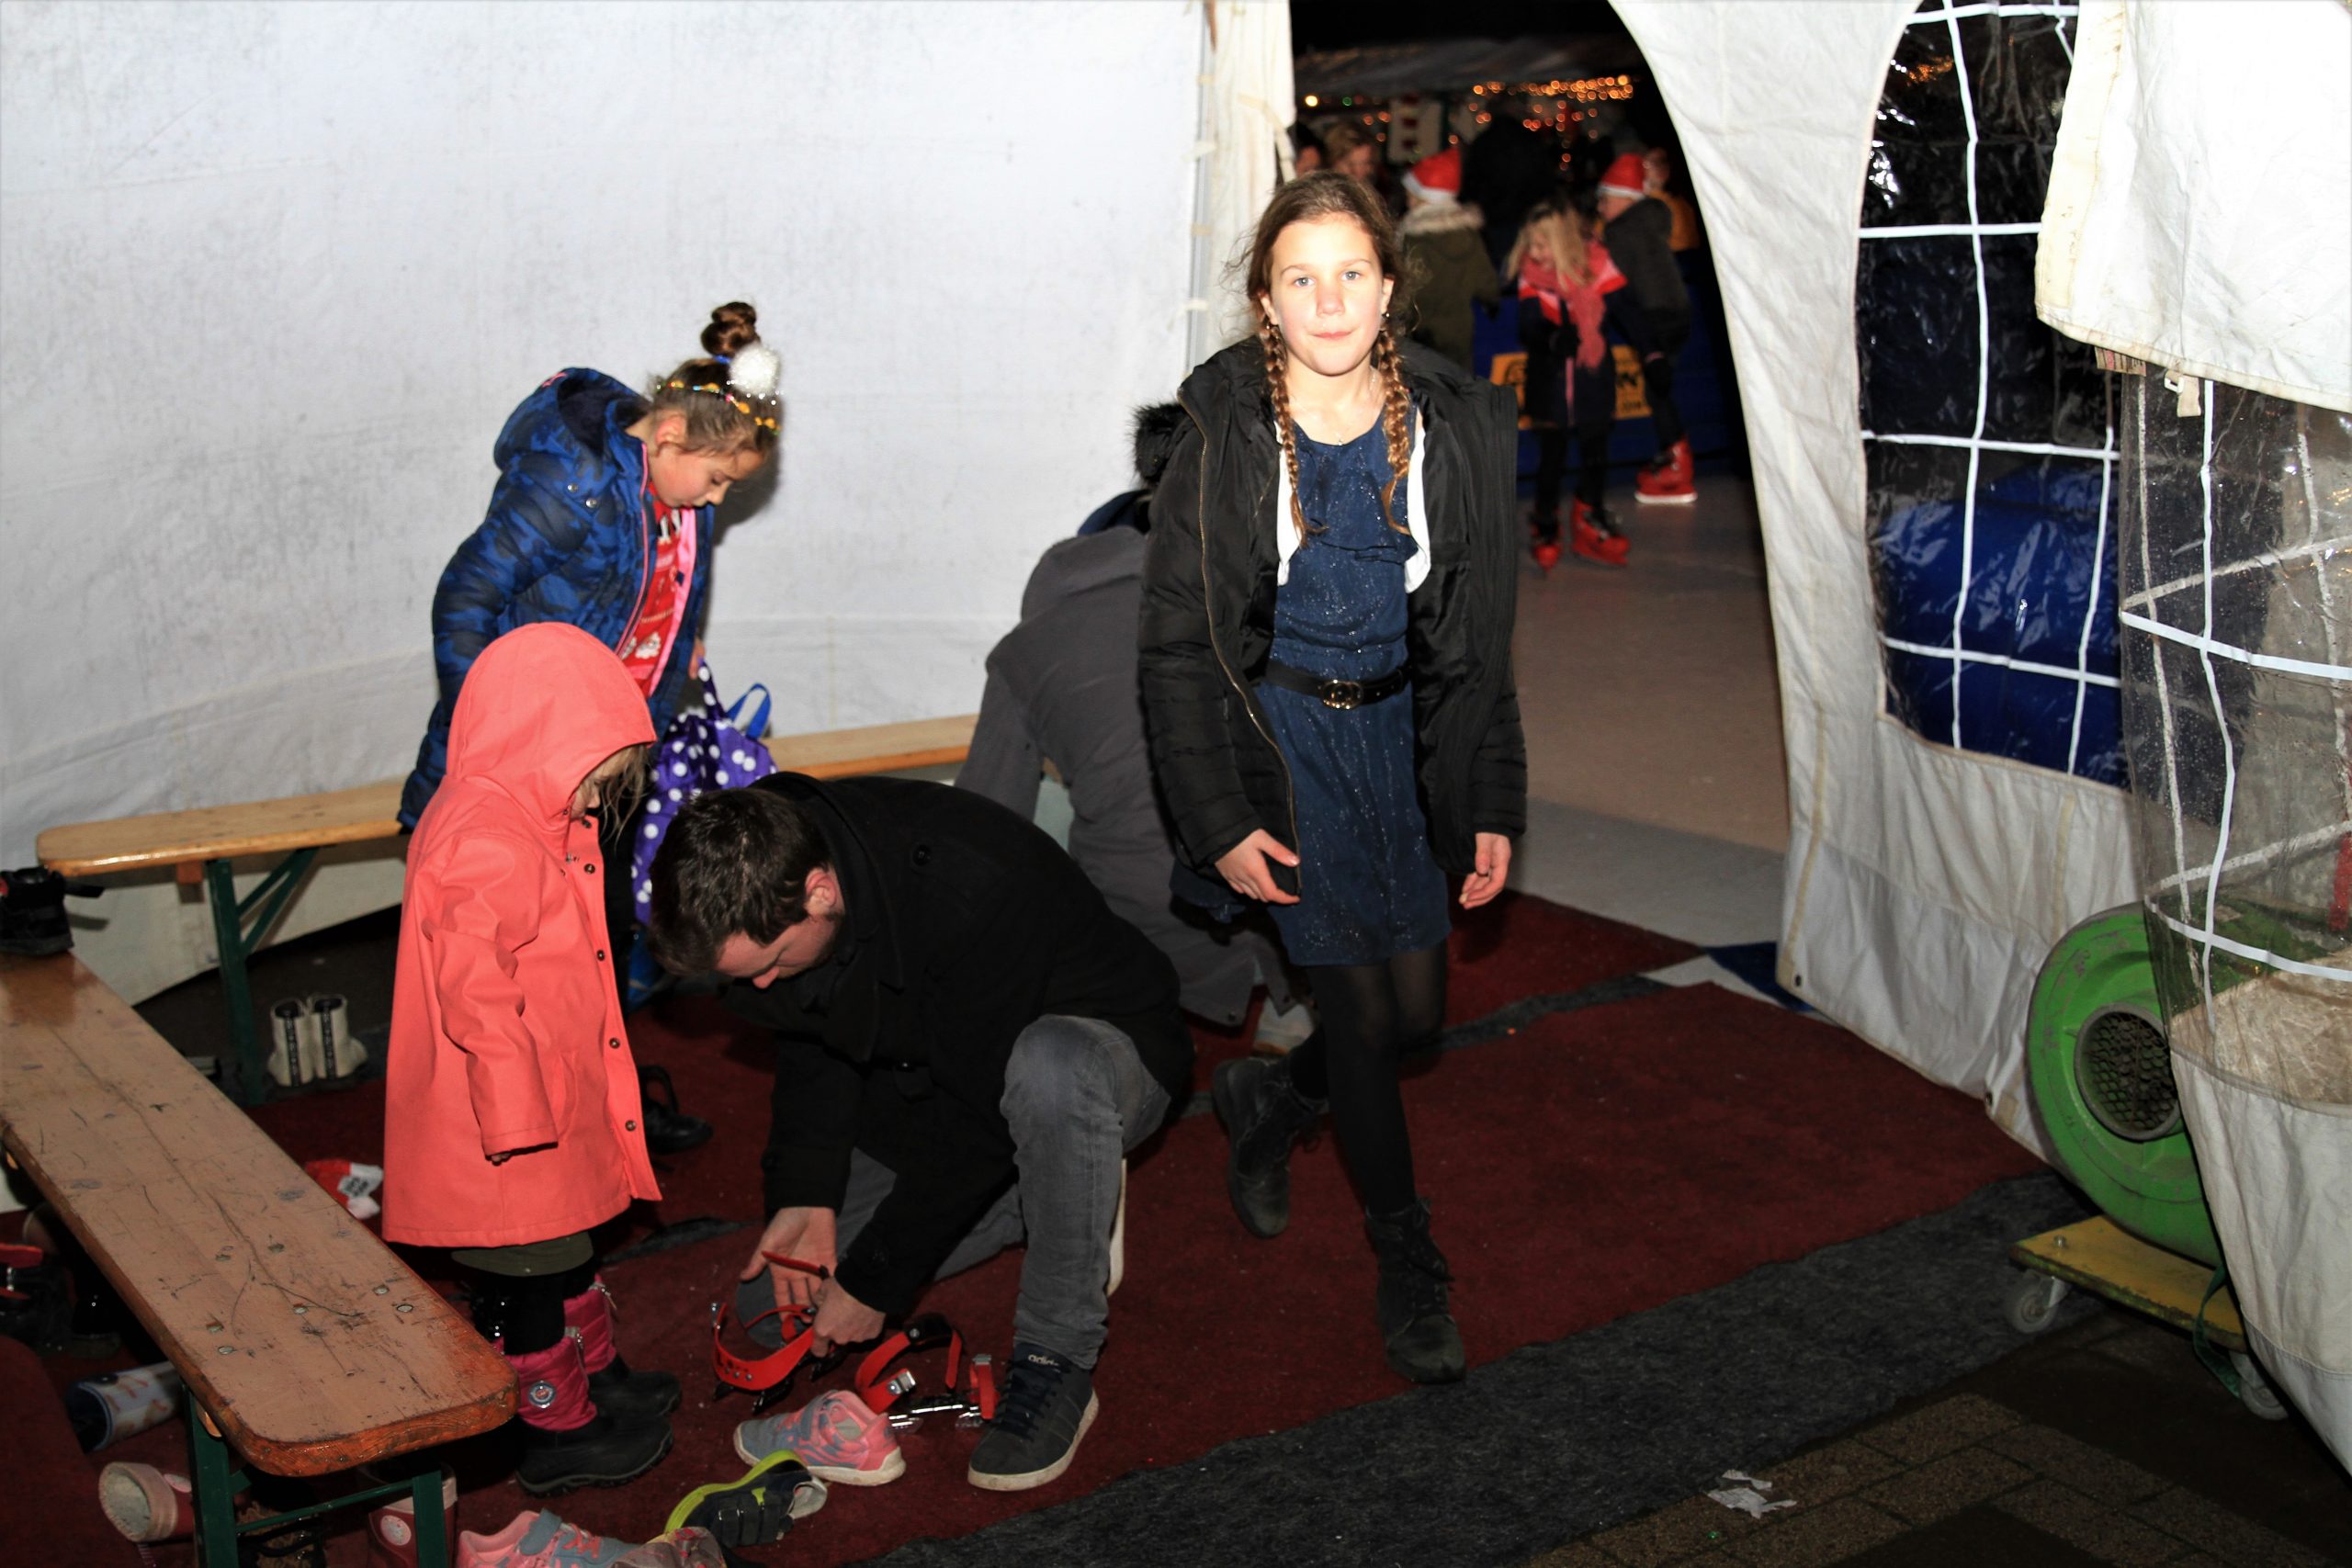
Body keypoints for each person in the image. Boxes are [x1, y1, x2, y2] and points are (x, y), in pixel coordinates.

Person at [1137, 171, 1525, 1385]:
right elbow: (1176, 651)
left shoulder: (1452, 423)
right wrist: (1217, 819)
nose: (1328, 300)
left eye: (1351, 272)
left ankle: (1273, 1101)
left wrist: (1493, 793)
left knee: (1413, 1018)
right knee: (1359, 1016)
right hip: (1288, 750)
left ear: (1390, 285)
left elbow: (1478, 635)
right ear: (1265, 300)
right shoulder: (1225, 436)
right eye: (1299, 278)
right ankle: (1406, 1257)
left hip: (1406, 743)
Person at [645, 774, 1193, 1492]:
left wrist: (878, 1275)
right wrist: (806, 1193)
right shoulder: (780, 852)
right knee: (781, 1308)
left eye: (772, 961)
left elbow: (979, 1119)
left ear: (819, 891)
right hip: (932, 1078)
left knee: (1047, 1067)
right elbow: (811, 1035)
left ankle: (1057, 1355)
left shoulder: (975, 883)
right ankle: (1048, 1195)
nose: (765, 985)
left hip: (1099, 1050)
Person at [397, 301, 783, 978]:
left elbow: (670, 573)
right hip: (524, 766)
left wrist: (676, 635)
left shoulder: (677, 488)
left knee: (596, 935)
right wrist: (493, 735)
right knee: (511, 950)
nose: (718, 499)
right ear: (669, 433)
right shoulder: (572, 485)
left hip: (613, 764)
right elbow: (464, 598)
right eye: (718, 479)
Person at [380, 622, 675, 1495]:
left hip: (547, 1093)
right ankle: (550, 1423)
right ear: (540, 734)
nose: (596, 799)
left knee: (566, 1242)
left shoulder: (524, 814)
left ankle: (590, 1371)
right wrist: (514, 1111)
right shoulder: (485, 835)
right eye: (595, 774)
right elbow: (474, 988)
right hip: (502, 1117)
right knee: (526, 1270)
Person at [959, 404, 1307, 1044]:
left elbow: (985, 823)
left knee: (1047, 803)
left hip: (1146, 921)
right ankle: (1292, 1010)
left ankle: (1103, 1016)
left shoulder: (1022, 650)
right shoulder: (1263, 596)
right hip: (1288, 900)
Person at [1510, 199, 1652, 568]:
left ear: (1563, 242)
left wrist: (1651, 353)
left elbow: (1629, 312)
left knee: (1595, 452)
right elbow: (1528, 324)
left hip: (1592, 376)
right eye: (1530, 243)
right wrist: (1552, 338)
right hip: (1550, 381)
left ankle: (1590, 514)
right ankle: (1545, 520)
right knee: (1552, 456)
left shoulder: (1599, 267)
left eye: (1542, 244)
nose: (1534, 253)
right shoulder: (1532, 275)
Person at [1597, 153, 1698, 504]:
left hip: (1652, 315)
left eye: (1606, 199)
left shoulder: (1620, 232)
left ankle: (1677, 463)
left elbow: (1611, 282)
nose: (1601, 207)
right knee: (1661, 387)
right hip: (1679, 309)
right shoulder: (1656, 218)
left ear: (1626, 199)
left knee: (1658, 391)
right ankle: (1675, 456)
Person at [1396, 148, 1498, 373]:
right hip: (1461, 333)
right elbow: (1487, 285)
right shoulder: (1470, 235)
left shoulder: (1414, 239)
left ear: (1422, 198)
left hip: (1421, 335)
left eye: (1411, 195)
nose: (1407, 201)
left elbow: (1407, 290)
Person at [1461, 96, 1564, 267]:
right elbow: (1544, 178)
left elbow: (1472, 181)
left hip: (1493, 215)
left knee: (1498, 261)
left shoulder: (1483, 142)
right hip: (1525, 213)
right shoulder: (1529, 140)